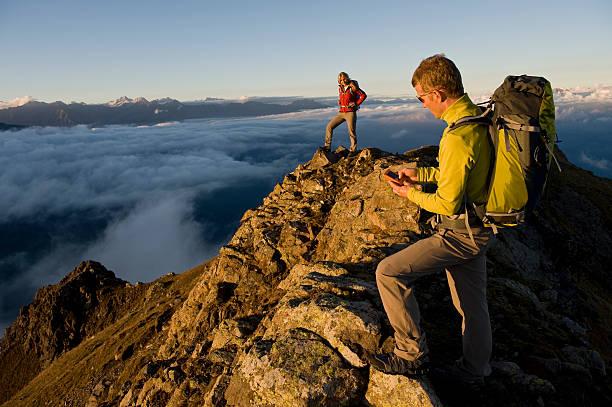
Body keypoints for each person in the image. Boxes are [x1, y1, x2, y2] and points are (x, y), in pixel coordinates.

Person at [369, 54, 494, 386]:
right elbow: (456, 173)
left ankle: (410, 355)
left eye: (422, 98)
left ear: (438, 94)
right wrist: (416, 173)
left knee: (388, 272)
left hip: (459, 234)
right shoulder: (477, 120)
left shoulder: (456, 135)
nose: (423, 105)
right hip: (479, 229)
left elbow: (448, 201)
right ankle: (475, 373)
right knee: (472, 306)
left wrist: (409, 194)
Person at [324, 72, 367, 152]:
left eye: (344, 79)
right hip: (341, 113)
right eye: (340, 80)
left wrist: (356, 103)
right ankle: (327, 147)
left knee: (352, 132)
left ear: (347, 78)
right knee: (329, 127)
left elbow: (363, 95)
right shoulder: (340, 88)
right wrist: (340, 101)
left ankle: (353, 150)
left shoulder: (352, 87)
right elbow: (343, 97)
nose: (342, 81)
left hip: (350, 113)